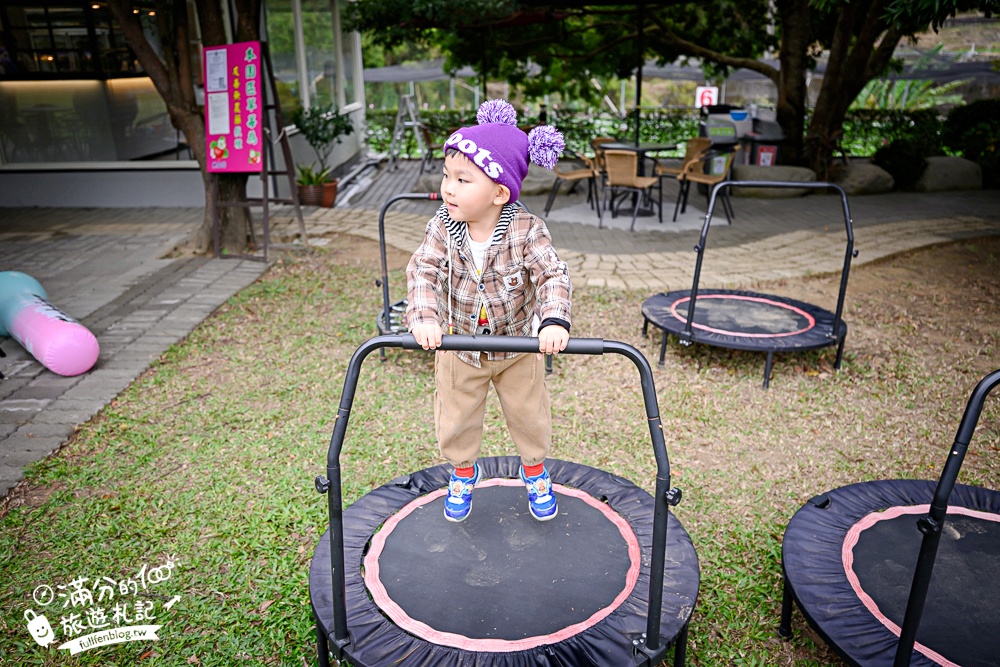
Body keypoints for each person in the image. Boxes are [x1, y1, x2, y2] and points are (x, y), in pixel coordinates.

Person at [406, 99, 571, 523]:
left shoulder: (526, 229)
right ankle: (463, 473)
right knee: (456, 419)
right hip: (459, 346)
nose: (449, 188)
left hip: (517, 347)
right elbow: (423, 268)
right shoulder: (444, 224)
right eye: (447, 176)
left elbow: (552, 274)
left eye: (463, 180)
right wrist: (424, 317)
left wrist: (553, 320)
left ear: (500, 192)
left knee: (529, 415)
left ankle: (534, 471)